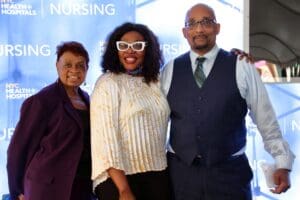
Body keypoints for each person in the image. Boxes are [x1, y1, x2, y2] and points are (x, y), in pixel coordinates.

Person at [160, 3, 295, 200]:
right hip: (181, 176)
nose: (199, 29)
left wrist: (282, 162)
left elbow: (265, 117)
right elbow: (157, 123)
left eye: (206, 22)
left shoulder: (242, 66)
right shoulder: (170, 69)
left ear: (217, 28)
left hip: (229, 176)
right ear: (185, 31)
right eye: (192, 24)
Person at [90, 22, 171, 200]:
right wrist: (123, 190)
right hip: (118, 179)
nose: (130, 50)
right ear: (115, 50)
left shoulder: (156, 81)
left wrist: (235, 58)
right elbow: (105, 141)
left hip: (158, 174)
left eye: (137, 45)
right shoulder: (108, 83)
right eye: (123, 45)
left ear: (147, 50)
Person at [7, 41, 94, 200]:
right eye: (67, 65)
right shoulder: (42, 101)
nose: (74, 70)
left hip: (81, 187)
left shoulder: (87, 99)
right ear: (57, 66)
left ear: (87, 68)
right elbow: (18, 150)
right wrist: (17, 191)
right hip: (47, 189)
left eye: (80, 65)